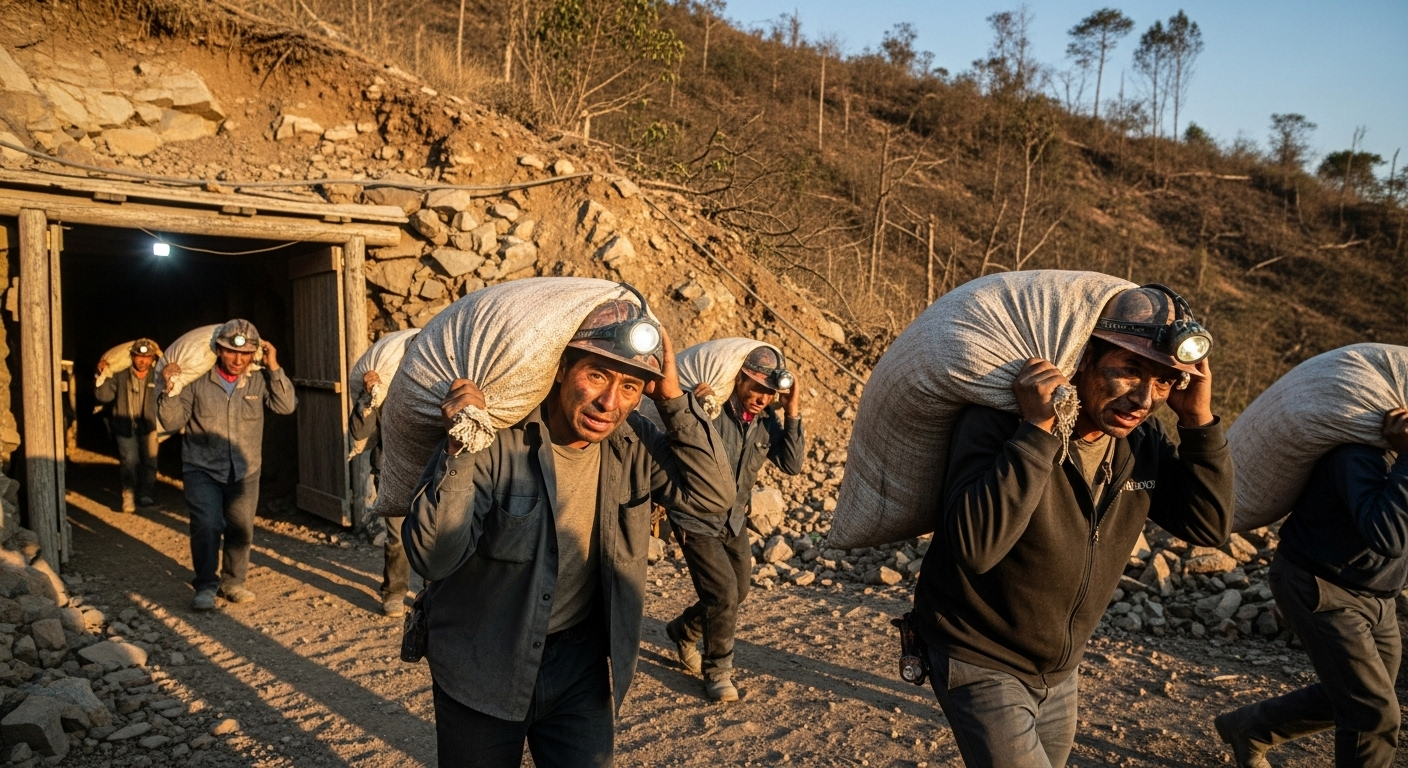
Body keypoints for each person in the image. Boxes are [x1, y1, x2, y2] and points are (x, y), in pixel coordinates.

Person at [403, 294, 734, 767]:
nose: (609, 402)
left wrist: (673, 401)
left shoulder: (634, 442)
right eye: (596, 375)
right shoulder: (495, 438)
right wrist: (461, 447)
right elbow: (433, 557)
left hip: (579, 668)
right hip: (484, 662)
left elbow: (712, 502)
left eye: (630, 386)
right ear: (560, 369)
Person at [911, 284, 1235, 767]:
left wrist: (1198, 421)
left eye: (1165, 381)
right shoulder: (999, 426)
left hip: (1060, 672)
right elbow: (976, 546)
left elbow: (1209, 524)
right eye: (1128, 371)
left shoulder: (1140, 442)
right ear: (1082, 360)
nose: (1144, 398)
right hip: (980, 656)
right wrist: (1036, 433)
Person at [1214, 409, 1408, 768]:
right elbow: (1389, 536)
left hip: (1378, 596)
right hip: (1321, 587)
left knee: (1361, 694)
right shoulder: (1357, 454)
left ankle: (1251, 728)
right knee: (1374, 713)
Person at [665, 345, 805, 702]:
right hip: (695, 518)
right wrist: (693, 406)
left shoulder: (764, 423)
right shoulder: (711, 410)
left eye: (770, 392)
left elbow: (791, 464)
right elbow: (677, 438)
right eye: (756, 387)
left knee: (737, 591)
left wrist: (792, 412)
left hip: (734, 521)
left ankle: (684, 630)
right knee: (724, 593)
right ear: (739, 379)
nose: (762, 397)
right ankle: (718, 671)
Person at [157, 320, 296, 611]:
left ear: (252, 355)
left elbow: (286, 406)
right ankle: (206, 585)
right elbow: (171, 421)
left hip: (245, 470)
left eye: (245, 354)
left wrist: (273, 366)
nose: (237, 359)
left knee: (241, 529)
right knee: (207, 526)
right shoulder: (196, 380)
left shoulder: (258, 379)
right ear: (218, 351)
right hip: (201, 468)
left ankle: (233, 582)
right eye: (231, 352)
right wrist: (169, 389)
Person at [348, 370, 410, 618]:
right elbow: (360, 433)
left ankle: (433, 593)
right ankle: (394, 592)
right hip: (391, 471)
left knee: (435, 536)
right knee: (397, 537)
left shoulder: (437, 386)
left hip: (431, 470)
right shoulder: (382, 391)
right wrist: (367, 396)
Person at [95, 339, 162, 512]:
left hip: (149, 425)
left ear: (153, 358)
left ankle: (146, 493)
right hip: (124, 426)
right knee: (130, 460)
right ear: (132, 356)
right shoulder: (120, 374)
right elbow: (104, 397)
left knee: (150, 461)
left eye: (147, 357)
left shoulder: (158, 375)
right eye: (139, 356)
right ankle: (129, 494)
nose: (143, 361)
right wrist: (103, 374)